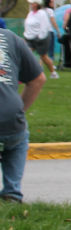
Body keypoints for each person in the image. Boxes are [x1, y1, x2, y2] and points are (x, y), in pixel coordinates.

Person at [0, 25, 46, 203]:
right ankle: (12, 192)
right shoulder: (10, 38)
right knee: (17, 140)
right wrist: (20, 110)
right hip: (11, 117)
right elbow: (38, 79)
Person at [23, 0, 58, 80]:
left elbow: (44, 26)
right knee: (27, 53)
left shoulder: (42, 13)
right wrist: (26, 35)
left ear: (36, 4)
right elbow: (27, 25)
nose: (31, 5)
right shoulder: (30, 14)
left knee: (43, 56)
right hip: (30, 38)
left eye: (33, 3)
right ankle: (29, 73)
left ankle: (53, 73)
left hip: (41, 38)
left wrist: (40, 37)